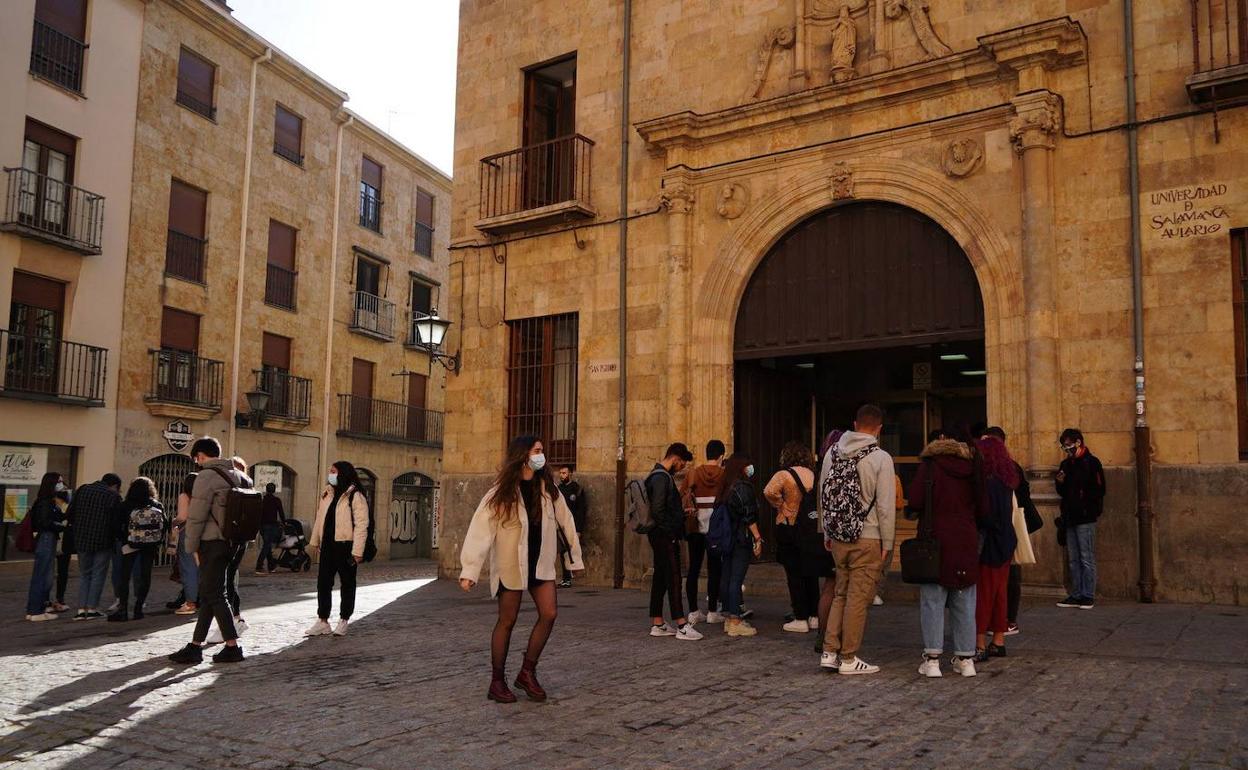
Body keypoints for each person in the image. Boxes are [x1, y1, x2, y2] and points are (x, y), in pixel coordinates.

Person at [459, 436, 585, 703]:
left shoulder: (549, 488)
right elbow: (480, 529)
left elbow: (567, 522)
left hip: (541, 563)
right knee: (507, 621)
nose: (542, 456)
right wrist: (470, 570)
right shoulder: (501, 491)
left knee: (549, 613)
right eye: (537, 451)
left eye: (542, 451)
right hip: (511, 564)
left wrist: (574, 560)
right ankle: (496, 681)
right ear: (523, 455)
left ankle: (527, 671)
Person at [819, 404, 896, 675]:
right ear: (879, 428)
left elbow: (823, 495)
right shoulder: (880, 457)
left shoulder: (832, 452)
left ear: (854, 423)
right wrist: (887, 542)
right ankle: (849, 658)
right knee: (858, 598)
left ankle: (829, 651)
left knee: (840, 591)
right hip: (868, 536)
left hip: (839, 535)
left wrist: (826, 531)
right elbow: (885, 505)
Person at [907, 429, 984, 678]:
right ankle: (966, 659)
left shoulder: (929, 467)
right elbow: (984, 504)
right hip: (965, 538)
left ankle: (932, 660)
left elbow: (916, 500)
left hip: (935, 538)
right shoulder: (973, 467)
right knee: (965, 599)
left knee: (933, 599)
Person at [168, 437, 245, 664]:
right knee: (210, 592)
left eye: (196, 459)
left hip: (211, 543)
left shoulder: (206, 477)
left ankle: (232, 647)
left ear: (200, 455)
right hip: (233, 544)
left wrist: (191, 548)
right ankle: (195, 645)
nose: (197, 463)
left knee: (214, 594)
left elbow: (196, 516)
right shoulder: (240, 476)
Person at [983, 426, 1040, 635]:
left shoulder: (1005, 470)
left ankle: (1007, 620)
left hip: (1005, 529)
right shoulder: (1002, 469)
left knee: (1007, 577)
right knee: (1004, 578)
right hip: (1007, 528)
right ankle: (1001, 622)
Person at [643, 443, 702, 640]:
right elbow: (659, 510)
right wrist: (671, 531)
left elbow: (663, 508)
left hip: (660, 534)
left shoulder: (658, 475)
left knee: (660, 578)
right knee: (674, 578)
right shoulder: (661, 477)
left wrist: (681, 513)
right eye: (682, 464)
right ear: (675, 458)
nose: (682, 468)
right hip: (664, 536)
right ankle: (682, 625)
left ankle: (657, 623)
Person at [305, 461, 370, 637]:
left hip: (346, 546)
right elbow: (320, 518)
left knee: (347, 583)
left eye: (333, 471)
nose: (330, 474)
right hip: (328, 545)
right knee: (323, 583)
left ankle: (344, 619)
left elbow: (362, 524)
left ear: (342, 473)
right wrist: (316, 540)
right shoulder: (328, 493)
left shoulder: (355, 495)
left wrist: (357, 551)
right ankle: (323, 621)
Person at [765, 441, 819, 633]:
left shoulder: (784, 475)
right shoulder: (813, 474)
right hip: (810, 528)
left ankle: (800, 616)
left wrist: (782, 505)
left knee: (794, 574)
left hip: (789, 526)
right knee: (810, 572)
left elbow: (769, 491)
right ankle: (814, 615)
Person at [974, 436, 1018, 662]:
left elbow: (986, 517)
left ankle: (979, 642)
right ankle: (998, 640)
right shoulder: (1007, 480)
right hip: (1006, 541)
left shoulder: (987, 482)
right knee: (1000, 594)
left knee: (983, 595)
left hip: (990, 543)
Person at [1055, 428, 1104, 610]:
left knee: (1086, 557)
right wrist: (1059, 482)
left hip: (1085, 517)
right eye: (1064, 445)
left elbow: (1100, 490)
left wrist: (1085, 505)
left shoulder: (1092, 463)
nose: (1066, 449)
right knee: (1073, 558)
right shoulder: (1065, 464)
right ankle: (1075, 594)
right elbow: (1062, 491)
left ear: (1078, 442)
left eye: (1068, 444)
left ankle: (1088, 595)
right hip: (1069, 516)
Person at [716, 453, 762, 637]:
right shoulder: (742, 487)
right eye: (748, 465)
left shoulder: (725, 487)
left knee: (727, 577)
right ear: (741, 467)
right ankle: (735, 619)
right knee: (736, 579)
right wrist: (758, 538)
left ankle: (729, 616)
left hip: (727, 538)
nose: (750, 469)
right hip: (740, 539)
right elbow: (749, 515)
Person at [108, 477, 167, 622]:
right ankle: (138, 608)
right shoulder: (157, 505)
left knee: (125, 576)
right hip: (150, 545)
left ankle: (123, 609)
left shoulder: (125, 505)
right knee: (145, 575)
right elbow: (164, 524)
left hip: (130, 543)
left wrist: (124, 539)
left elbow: (115, 525)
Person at [680, 439, 726, 624]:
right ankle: (713, 611)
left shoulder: (693, 474)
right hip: (716, 528)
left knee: (694, 569)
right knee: (715, 569)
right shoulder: (724, 475)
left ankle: (693, 611)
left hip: (695, 527)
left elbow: (682, 495)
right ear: (721, 456)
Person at [69, 473, 123, 620]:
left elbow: (70, 512)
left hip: (81, 539)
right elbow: (116, 522)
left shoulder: (82, 490)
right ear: (115, 486)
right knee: (98, 574)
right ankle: (92, 608)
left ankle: (81, 609)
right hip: (102, 540)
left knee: (85, 574)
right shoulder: (112, 496)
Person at [25, 473, 67, 621]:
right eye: (59, 482)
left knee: (45, 575)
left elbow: (54, 517)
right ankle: (36, 610)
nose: (62, 484)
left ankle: (37, 609)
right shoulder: (45, 501)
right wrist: (60, 527)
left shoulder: (48, 501)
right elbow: (45, 522)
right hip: (46, 537)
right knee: (42, 575)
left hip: (47, 538)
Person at [171, 473, 199, 615]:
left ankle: (190, 603)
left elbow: (182, 517)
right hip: (202, 532)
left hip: (187, 532)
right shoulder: (203, 497)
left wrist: (173, 522)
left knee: (188, 568)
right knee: (200, 566)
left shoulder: (184, 496)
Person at [555, 466, 587, 587]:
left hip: (573, 525)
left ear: (570, 474)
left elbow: (581, 510)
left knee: (572, 550)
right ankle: (566, 578)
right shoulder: (558, 489)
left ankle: (572, 574)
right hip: (561, 526)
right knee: (563, 551)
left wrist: (579, 529)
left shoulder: (577, 489)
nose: (562, 475)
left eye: (564, 473)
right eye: (560, 473)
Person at [255, 482, 286, 575]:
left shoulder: (262, 500)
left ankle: (271, 566)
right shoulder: (276, 500)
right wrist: (284, 522)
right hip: (271, 526)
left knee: (267, 545)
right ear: (274, 490)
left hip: (262, 526)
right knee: (267, 546)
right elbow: (281, 512)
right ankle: (259, 566)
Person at [50, 488, 73, 613]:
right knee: (62, 573)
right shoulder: (69, 508)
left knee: (51, 572)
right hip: (65, 546)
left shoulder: (56, 509)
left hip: (57, 544)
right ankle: (60, 598)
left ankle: (52, 599)